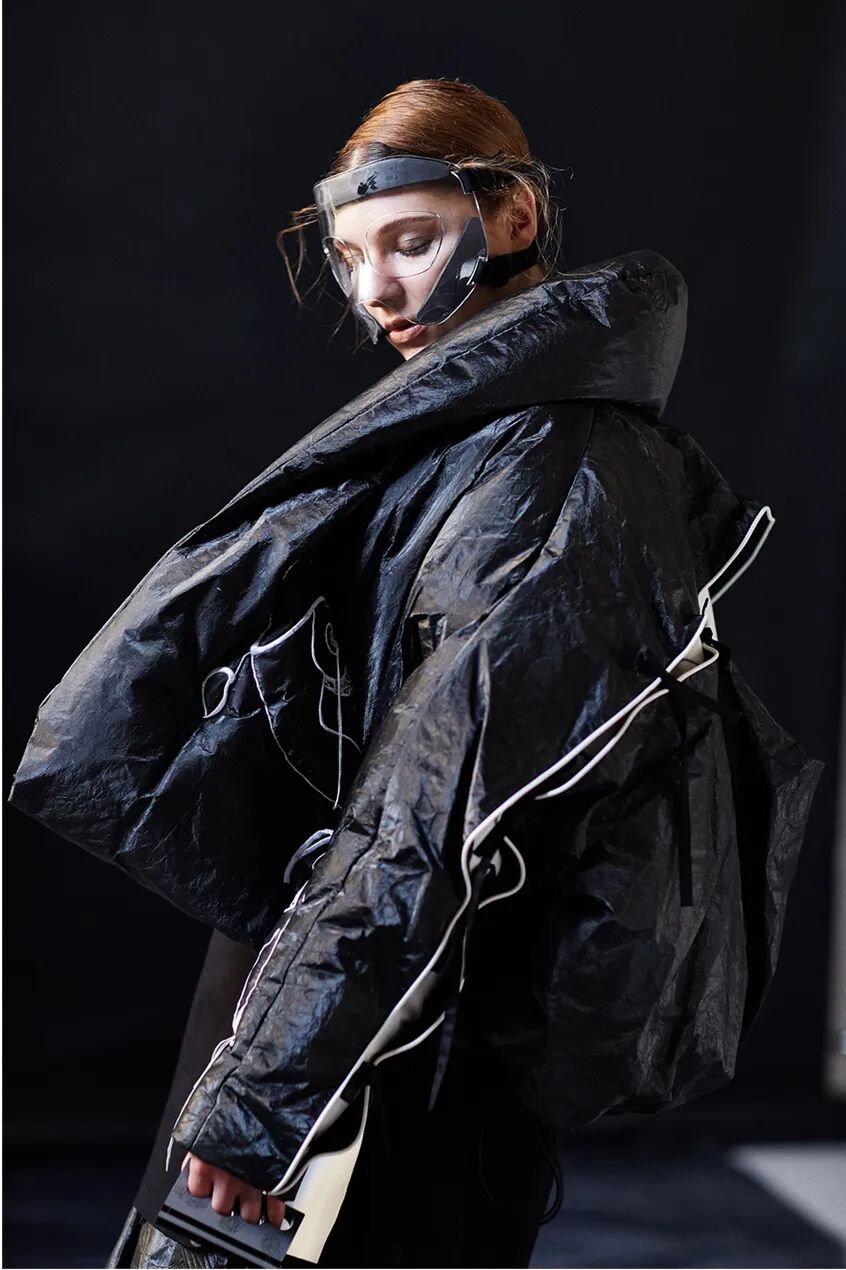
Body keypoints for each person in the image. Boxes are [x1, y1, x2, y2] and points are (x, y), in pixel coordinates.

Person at [10, 75, 823, 1270]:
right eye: (351, 256)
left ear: (513, 218)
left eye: (410, 240)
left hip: (408, 1043)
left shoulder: (553, 471)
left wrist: (266, 1107)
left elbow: (431, 813)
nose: (376, 290)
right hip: (334, 994)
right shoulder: (468, 431)